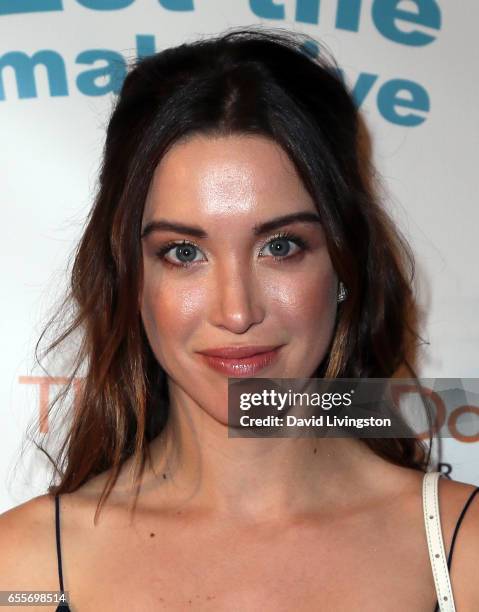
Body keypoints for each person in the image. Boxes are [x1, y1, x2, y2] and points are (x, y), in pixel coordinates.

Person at [0, 28, 478, 612]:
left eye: (280, 246)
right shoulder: (25, 572)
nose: (236, 311)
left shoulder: (463, 554)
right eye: (183, 252)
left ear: (345, 262)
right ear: (129, 276)